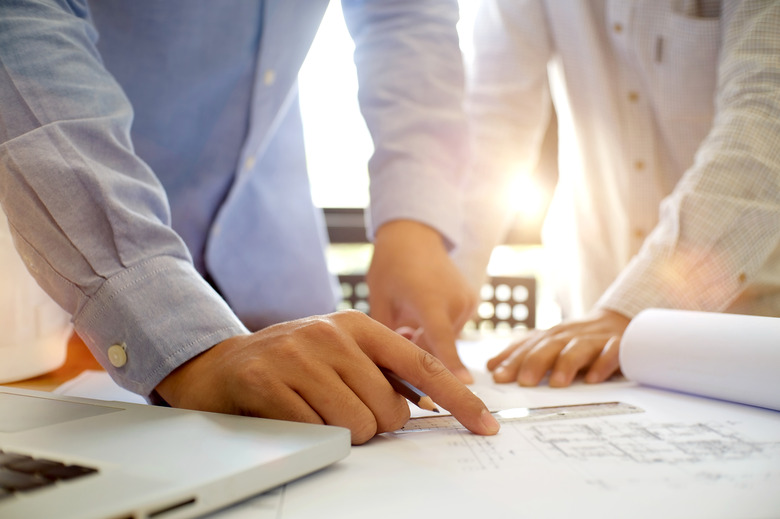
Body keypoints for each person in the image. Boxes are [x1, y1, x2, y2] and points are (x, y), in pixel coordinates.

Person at [0, 0, 500, 443]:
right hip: (71, 279)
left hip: (278, 267)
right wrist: (180, 339)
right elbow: (19, 21)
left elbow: (406, 16)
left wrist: (413, 222)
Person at [452, 0, 780, 387]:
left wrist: (634, 308)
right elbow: (494, 115)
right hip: (588, 310)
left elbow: (765, 116)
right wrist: (447, 276)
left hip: (748, 330)